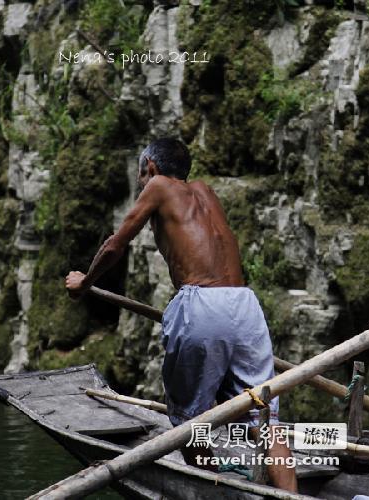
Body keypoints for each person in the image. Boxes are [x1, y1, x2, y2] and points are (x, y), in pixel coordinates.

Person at [65, 138, 298, 492]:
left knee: (188, 421)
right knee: (262, 415)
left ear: (152, 169)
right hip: (244, 305)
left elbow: (116, 244)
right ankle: (290, 498)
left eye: (141, 176)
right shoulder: (205, 191)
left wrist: (85, 283)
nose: (142, 184)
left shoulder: (158, 186)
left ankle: (211, 492)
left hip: (201, 303)